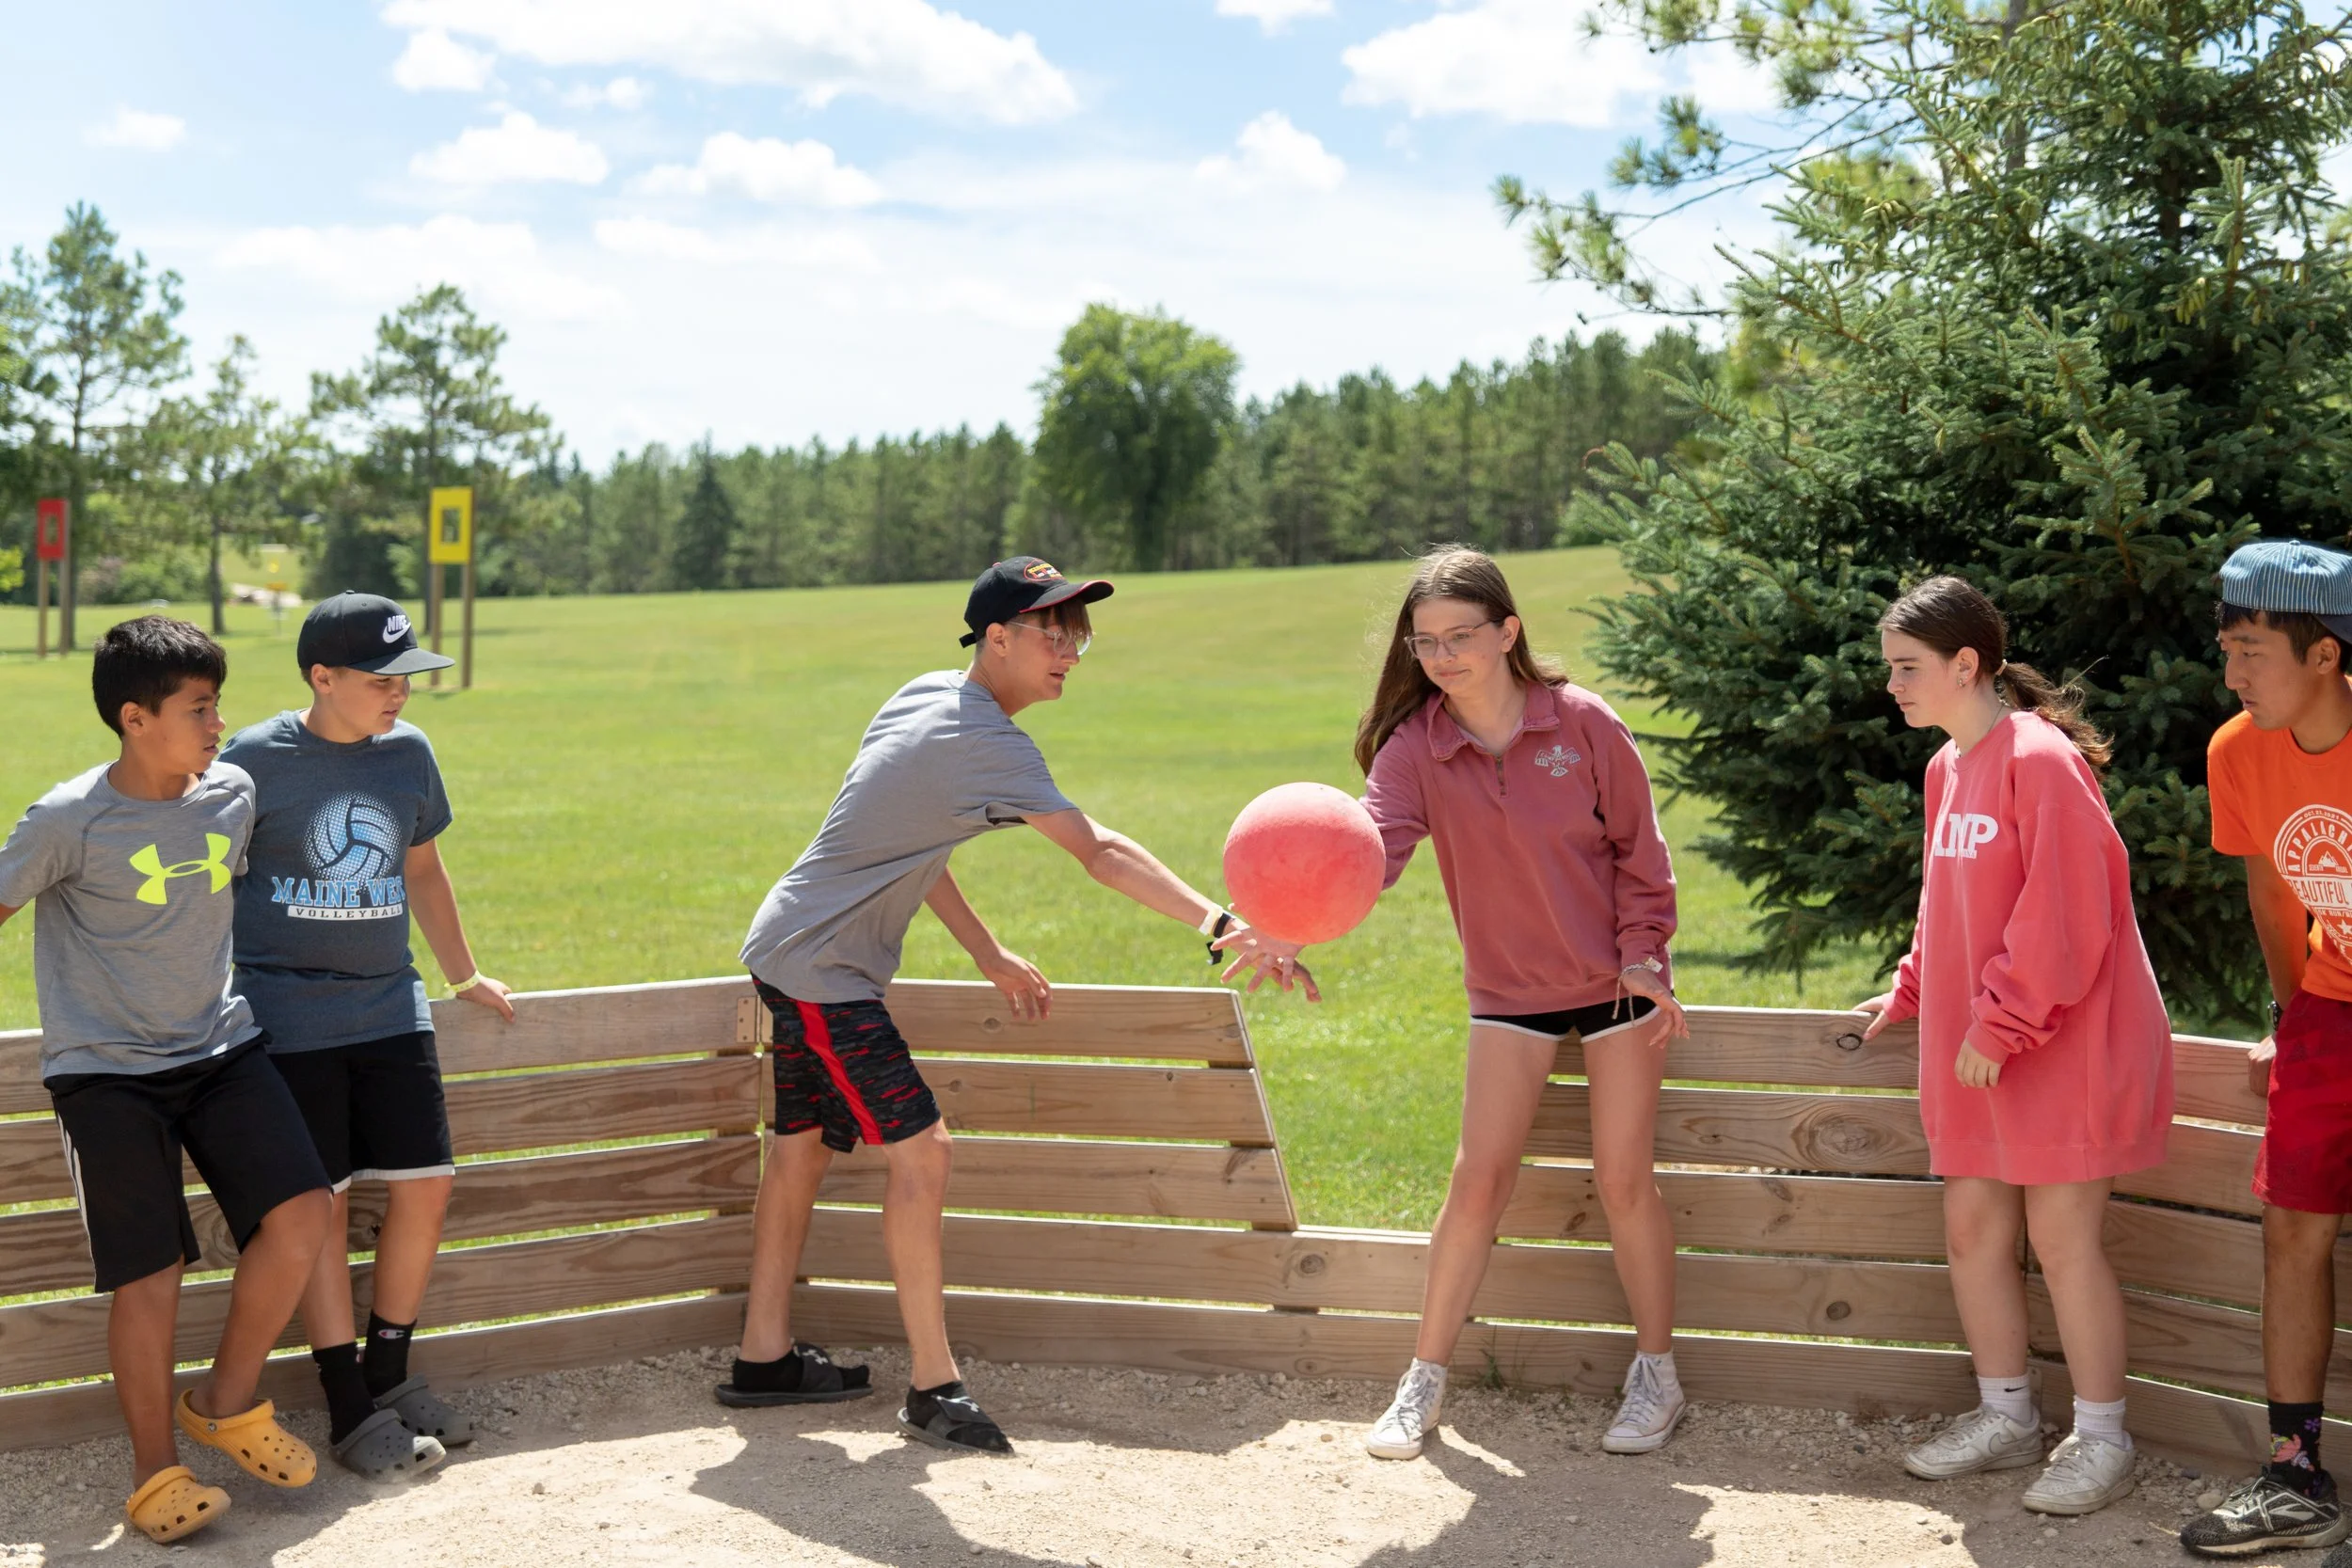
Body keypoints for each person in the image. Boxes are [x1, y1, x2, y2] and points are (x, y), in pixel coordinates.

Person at [717, 556, 1306, 1454]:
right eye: (1052, 632)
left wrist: (985, 951)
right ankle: (933, 1385)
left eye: (1079, 635)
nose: (1070, 652)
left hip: (786, 946)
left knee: (801, 1145)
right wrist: (1223, 923)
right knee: (924, 1151)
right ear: (997, 639)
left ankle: (764, 1357)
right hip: (824, 970)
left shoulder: (925, 694)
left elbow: (909, 840)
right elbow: (1100, 851)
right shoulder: (988, 742)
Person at [1333, 546, 1688, 1463]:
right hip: (1507, 993)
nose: (1443, 656)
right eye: (1425, 642)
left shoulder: (1583, 723)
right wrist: (1293, 918)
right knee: (1476, 1180)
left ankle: (1657, 1373)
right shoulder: (1417, 748)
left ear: (1507, 632)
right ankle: (1423, 1378)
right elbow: (1370, 853)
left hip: (1617, 986)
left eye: (1460, 636)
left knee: (1623, 1180)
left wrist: (1644, 956)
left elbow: (1642, 855)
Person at [0, 617, 334, 1544]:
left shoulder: (231, 792)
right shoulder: (66, 818)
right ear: (135, 718)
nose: (218, 723)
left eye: (218, 703)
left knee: (304, 1211)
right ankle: (155, 1473)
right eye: (199, 708)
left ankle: (225, 1401)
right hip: (105, 1072)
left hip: (219, 1048)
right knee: (150, 1272)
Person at [1852, 576, 2171, 1518]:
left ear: (1966, 664)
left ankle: (2102, 1437)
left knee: (2063, 1242)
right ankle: (2007, 1417)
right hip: (1979, 1052)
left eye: (1907, 668)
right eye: (1890, 668)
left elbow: (2069, 909)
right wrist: (1914, 987)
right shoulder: (1945, 768)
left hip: (2057, 1046)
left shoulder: (2039, 756)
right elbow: (1943, 901)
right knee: (1972, 1233)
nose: (1893, 685)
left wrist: (2000, 1020)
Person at [218, 592, 516, 1481]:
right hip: (289, 1019)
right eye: (382, 679)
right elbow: (207, 880)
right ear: (322, 676)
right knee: (326, 1207)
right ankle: (346, 1399)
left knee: (427, 1185)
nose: (400, 694)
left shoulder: (409, 753)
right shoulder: (252, 760)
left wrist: (463, 975)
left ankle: (390, 1373)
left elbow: (423, 867)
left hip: (391, 1007)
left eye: (406, 678)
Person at [2181, 540, 2352, 1559]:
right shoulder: (2236, 749)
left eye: (2252, 649)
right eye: (2227, 647)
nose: (2232, 672)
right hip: (2330, 1005)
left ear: (2324, 652)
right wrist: (2297, 1022)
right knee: (2291, 1227)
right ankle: (2295, 1476)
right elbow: (2274, 893)